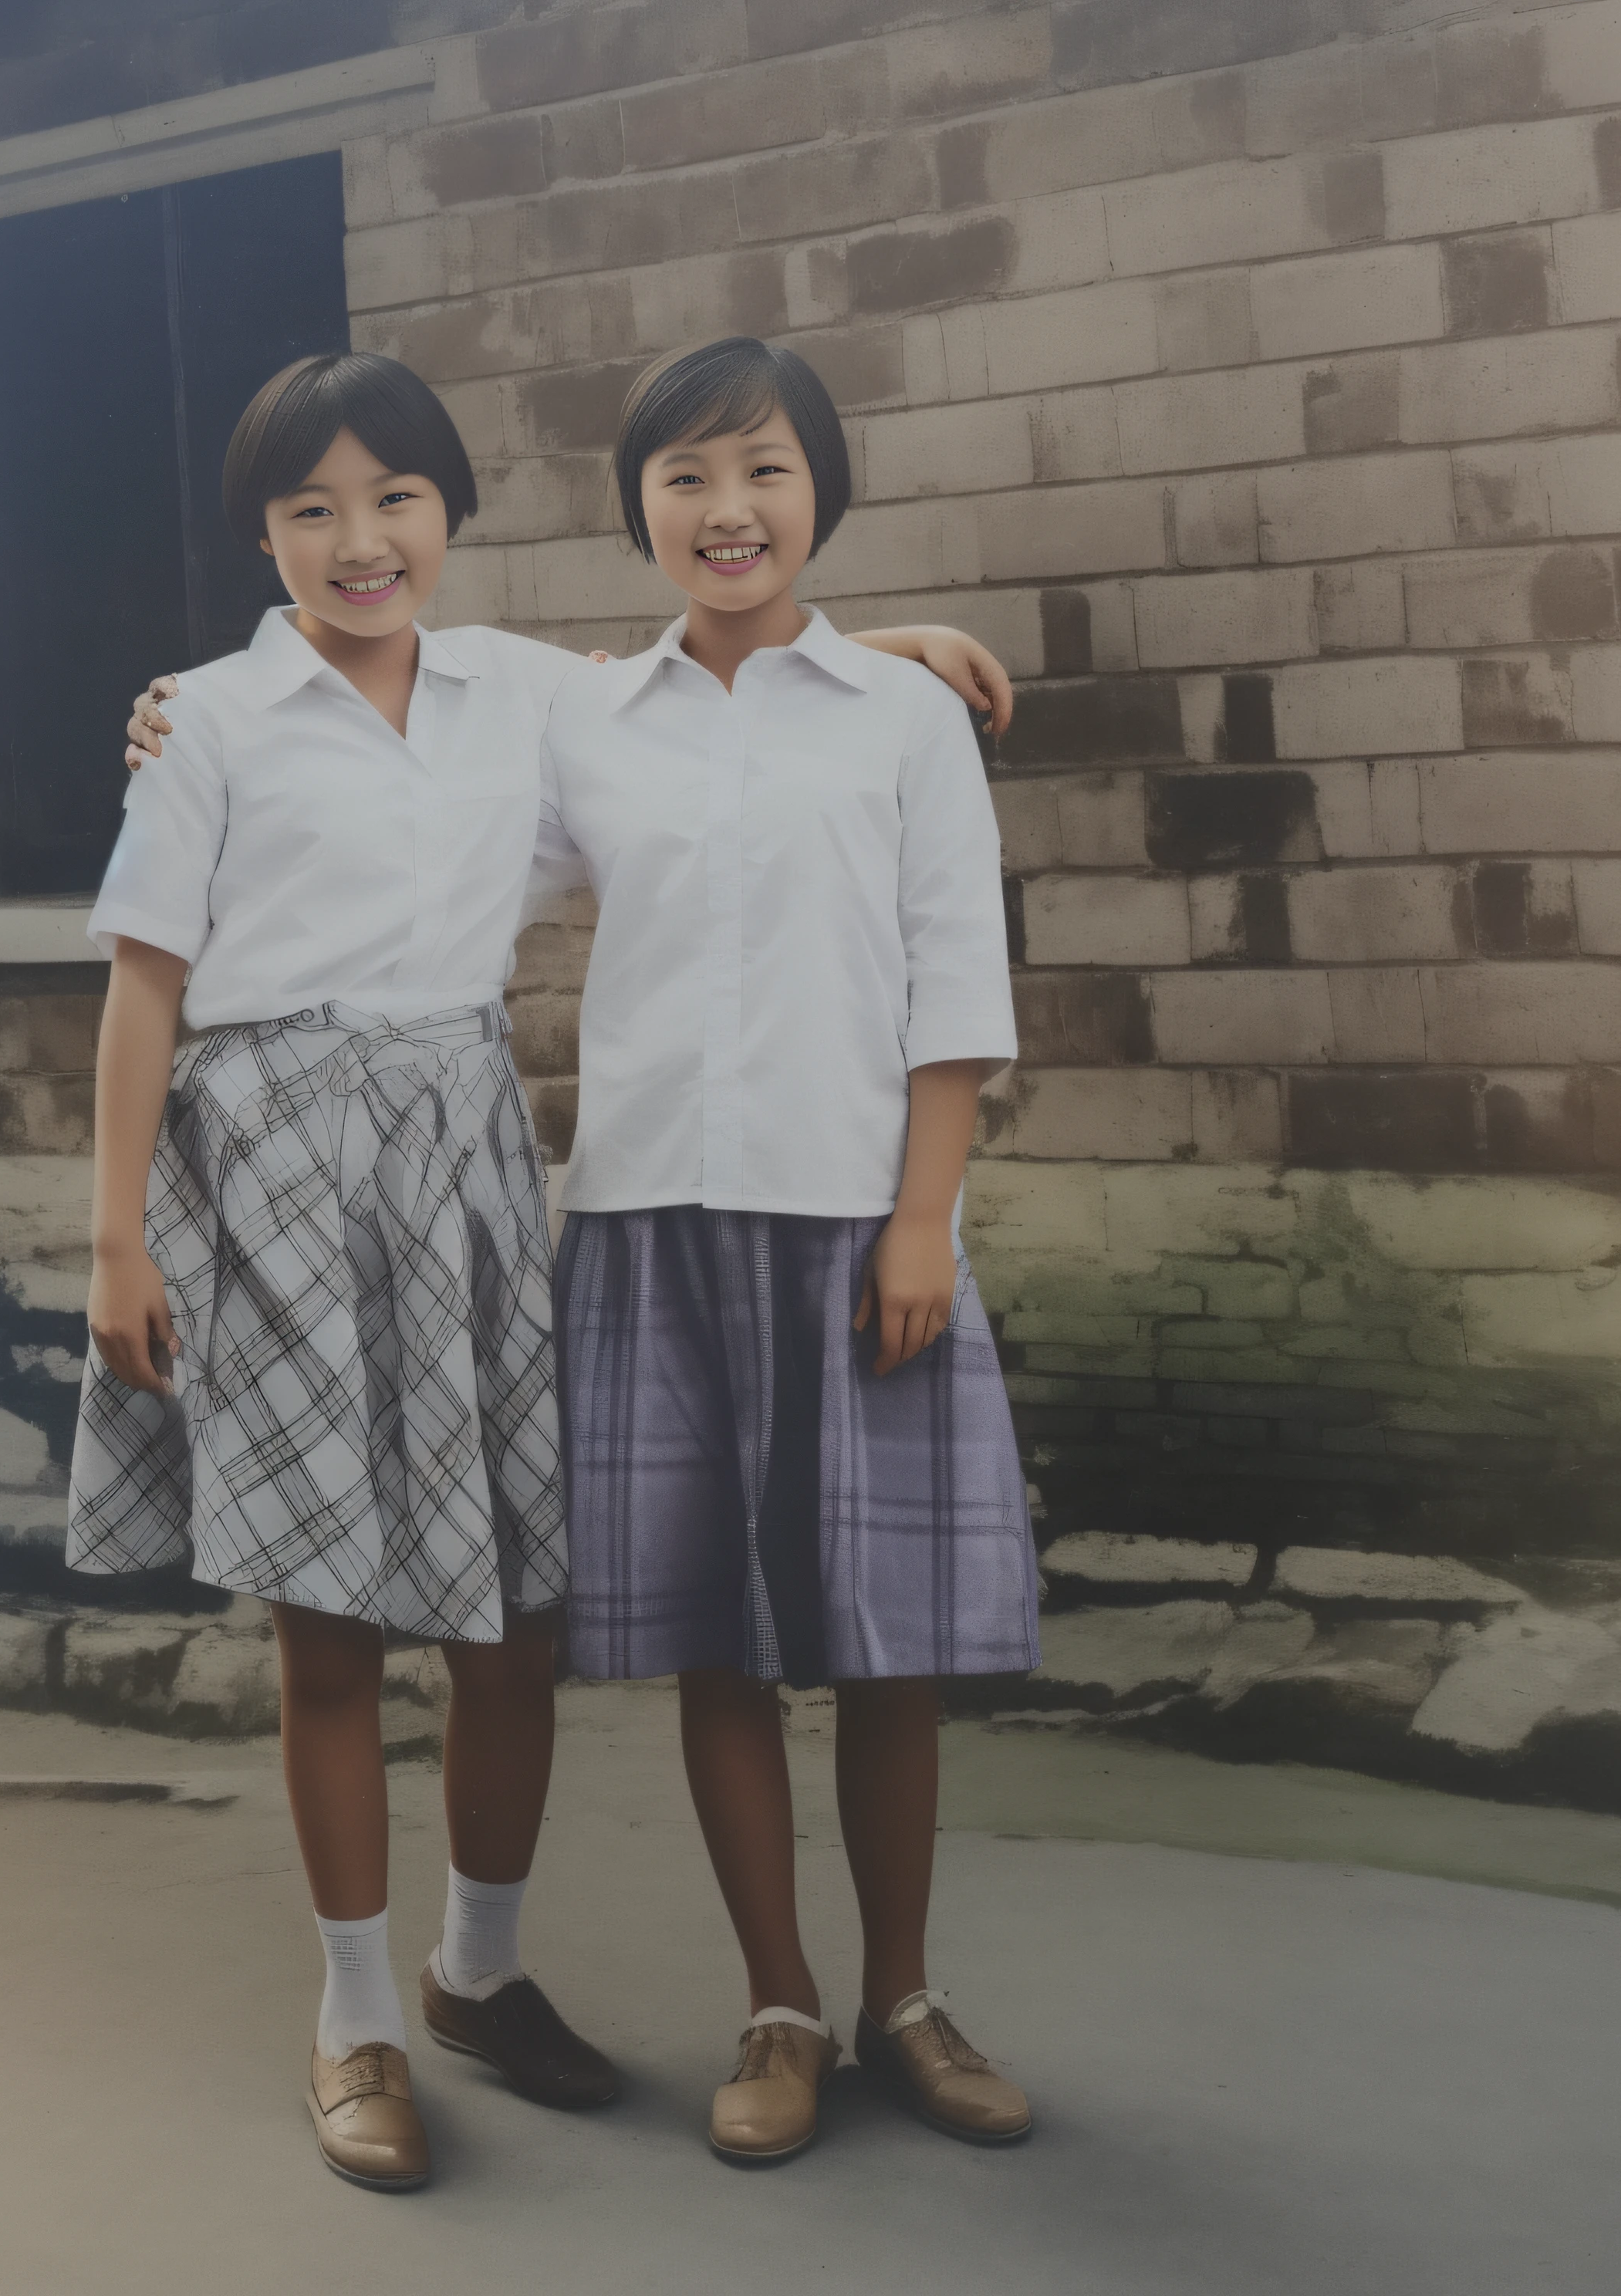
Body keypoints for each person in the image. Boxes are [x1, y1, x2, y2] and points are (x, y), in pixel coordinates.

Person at [87, 348, 1014, 2193]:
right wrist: (115, 1233)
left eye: (396, 500)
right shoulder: (247, 718)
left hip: (489, 1175)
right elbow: (145, 976)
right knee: (359, 1619)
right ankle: (378, 2017)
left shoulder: (526, 690)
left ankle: (516, 1979)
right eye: (311, 512)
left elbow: (744, 689)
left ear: (455, 515)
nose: (360, 541)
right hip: (337, 1177)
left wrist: (887, 644)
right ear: (258, 535)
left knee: (528, 1617)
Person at [536, 336, 1039, 2166]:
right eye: (683, 477)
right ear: (639, 511)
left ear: (819, 489)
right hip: (651, 1221)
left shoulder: (900, 720)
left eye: (760, 470)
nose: (724, 510)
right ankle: (779, 2003)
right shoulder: (586, 722)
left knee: (880, 1640)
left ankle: (904, 1996)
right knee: (717, 1643)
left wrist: (926, 1217)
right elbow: (413, 775)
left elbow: (954, 983)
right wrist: (183, 715)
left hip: (856, 1226)